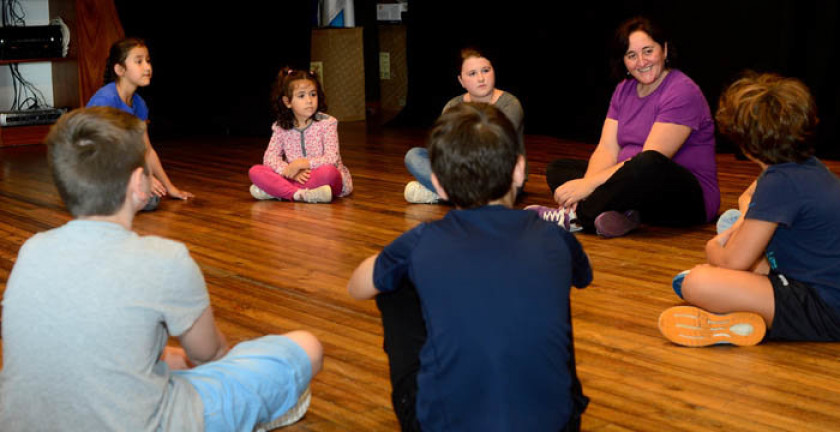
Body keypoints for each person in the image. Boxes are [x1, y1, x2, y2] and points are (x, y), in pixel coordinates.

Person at [0, 107, 324, 431]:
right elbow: (209, 354)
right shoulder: (164, 258)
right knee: (305, 346)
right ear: (139, 183)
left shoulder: (32, 250)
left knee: (164, 356)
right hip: (148, 422)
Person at [348, 103, 591, 431]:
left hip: (443, 425)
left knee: (393, 283)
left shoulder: (421, 242)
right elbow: (582, 275)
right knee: (546, 278)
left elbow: (357, 286)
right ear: (519, 170)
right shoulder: (554, 236)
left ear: (439, 184)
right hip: (558, 423)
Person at [658, 72, 840, 347]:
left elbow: (731, 261)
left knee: (695, 282)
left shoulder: (780, 182)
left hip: (835, 314)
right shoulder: (802, 167)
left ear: (746, 144)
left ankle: (737, 322)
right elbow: (750, 203)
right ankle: (742, 315)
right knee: (728, 242)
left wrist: (714, 246)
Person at [527, 17, 719, 237]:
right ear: (624, 61)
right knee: (559, 169)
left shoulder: (682, 91)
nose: (641, 62)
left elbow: (651, 161)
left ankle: (576, 217)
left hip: (685, 199)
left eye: (648, 51)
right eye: (631, 55)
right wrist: (586, 183)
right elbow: (607, 148)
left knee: (648, 162)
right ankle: (622, 216)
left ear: (664, 50)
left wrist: (587, 188)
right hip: (635, 188)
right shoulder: (623, 89)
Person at [403, 47, 525, 204]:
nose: (481, 78)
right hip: (463, 170)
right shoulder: (452, 106)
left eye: (486, 70)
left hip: (499, 176)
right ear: (461, 81)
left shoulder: (510, 104)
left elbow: (493, 148)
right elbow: (445, 150)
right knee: (414, 156)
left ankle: (446, 194)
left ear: (494, 71)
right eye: (472, 73)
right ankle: (468, 196)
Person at [87, 37, 193, 210]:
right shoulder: (105, 100)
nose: (147, 67)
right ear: (120, 69)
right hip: (92, 169)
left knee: (151, 200)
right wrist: (140, 178)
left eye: (148, 61)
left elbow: (147, 150)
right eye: (139, 61)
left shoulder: (139, 104)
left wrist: (170, 188)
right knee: (143, 195)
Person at [248, 67, 352, 203]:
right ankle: (300, 195)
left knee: (330, 173)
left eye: (313, 94)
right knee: (255, 171)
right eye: (301, 96)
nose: (309, 100)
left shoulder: (328, 123)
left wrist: (302, 163)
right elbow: (269, 157)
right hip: (294, 176)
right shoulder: (280, 127)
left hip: (321, 177)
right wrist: (289, 169)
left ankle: (278, 191)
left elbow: (332, 158)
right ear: (288, 102)